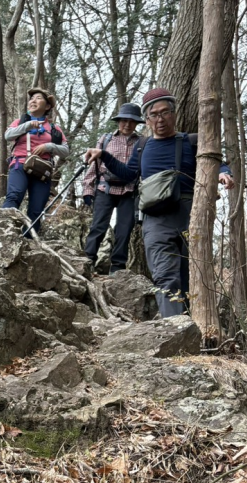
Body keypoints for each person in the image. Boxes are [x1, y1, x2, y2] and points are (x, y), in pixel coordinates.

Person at [84, 87, 234, 318]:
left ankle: (193, 327)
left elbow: (215, 161)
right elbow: (128, 174)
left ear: (174, 113)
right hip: (154, 218)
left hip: (190, 213)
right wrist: (104, 155)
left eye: (165, 112)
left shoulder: (191, 141)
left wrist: (223, 173)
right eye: (154, 114)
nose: (160, 119)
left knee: (191, 274)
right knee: (165, 274)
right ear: (146, 119)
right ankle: (174, 330)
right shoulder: (142, 147)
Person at [82, 103, 144, 274]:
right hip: (105, 188)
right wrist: (88, 188)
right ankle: (88, 261)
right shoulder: (106, 139)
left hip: (130, 191)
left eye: (132, 121)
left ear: (137, 123)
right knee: (98, 226)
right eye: (124, 121)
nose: (127, 125)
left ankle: (118, 268)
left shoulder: (141, 142)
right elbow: (94, 164)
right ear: (118, 121)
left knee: (124, 230)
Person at [2, 87, 69, 231]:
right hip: (19, 164)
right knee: (14, 196)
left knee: (37, 208)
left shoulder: (54, 128)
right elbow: (8, 136)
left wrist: (49, 146)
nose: (33, 101)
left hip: (42, 169)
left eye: (38, 98)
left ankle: (30, 241)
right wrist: (27, 125)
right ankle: (3, 230)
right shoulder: (20, 121)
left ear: (47, 106)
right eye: (32, 98)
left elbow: (65, 151)